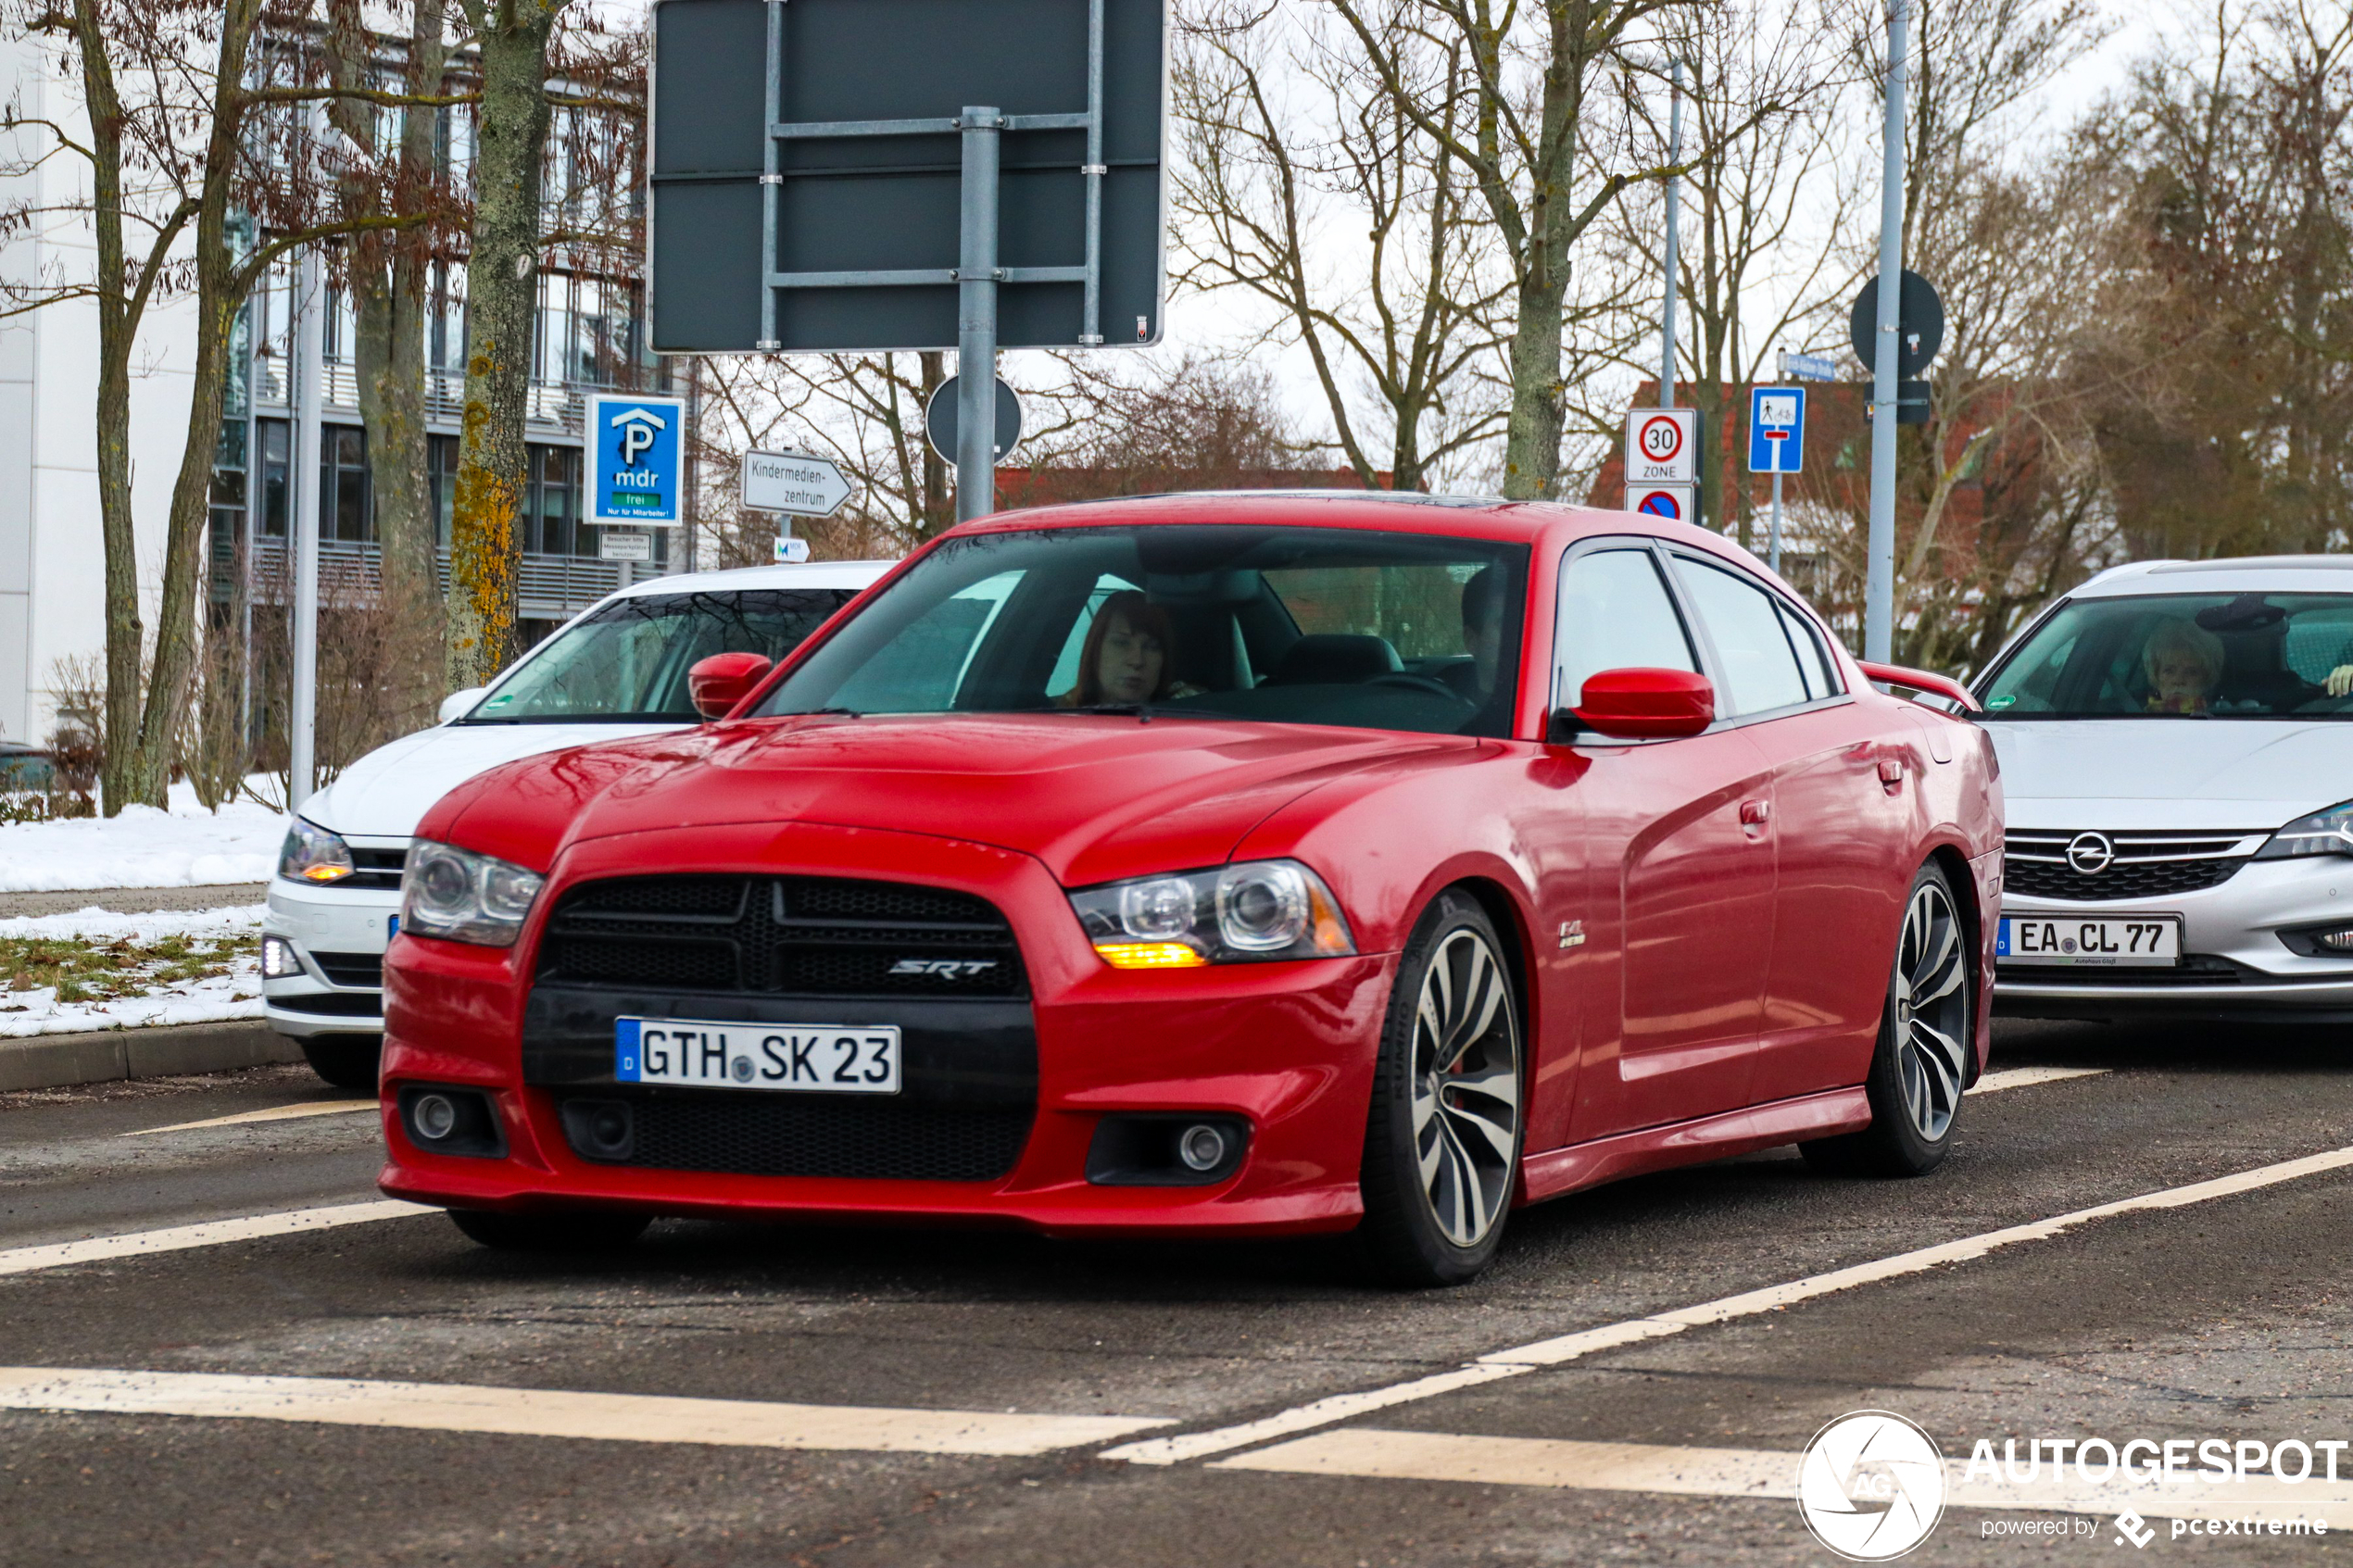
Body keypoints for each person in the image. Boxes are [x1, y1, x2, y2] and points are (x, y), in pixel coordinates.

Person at [1059, 590, 1196, 706]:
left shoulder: (1194, 707)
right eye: (1121, 643)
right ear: (1095, 650)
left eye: (1151, 647)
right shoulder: (1056, 715)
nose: (1137, 661)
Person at [1442, 565, 1509, 702]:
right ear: (1471, 640)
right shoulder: (1438, 699)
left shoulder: (1556, 700)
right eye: (1504, 625)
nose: (1522, 637)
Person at [2142, 617, 2225, 715]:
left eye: (2191, 672)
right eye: (2169, 671)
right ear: (2156, 675)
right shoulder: (2137, 722)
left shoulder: (2219, 724)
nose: (2178, 680)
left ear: (2206, 678)